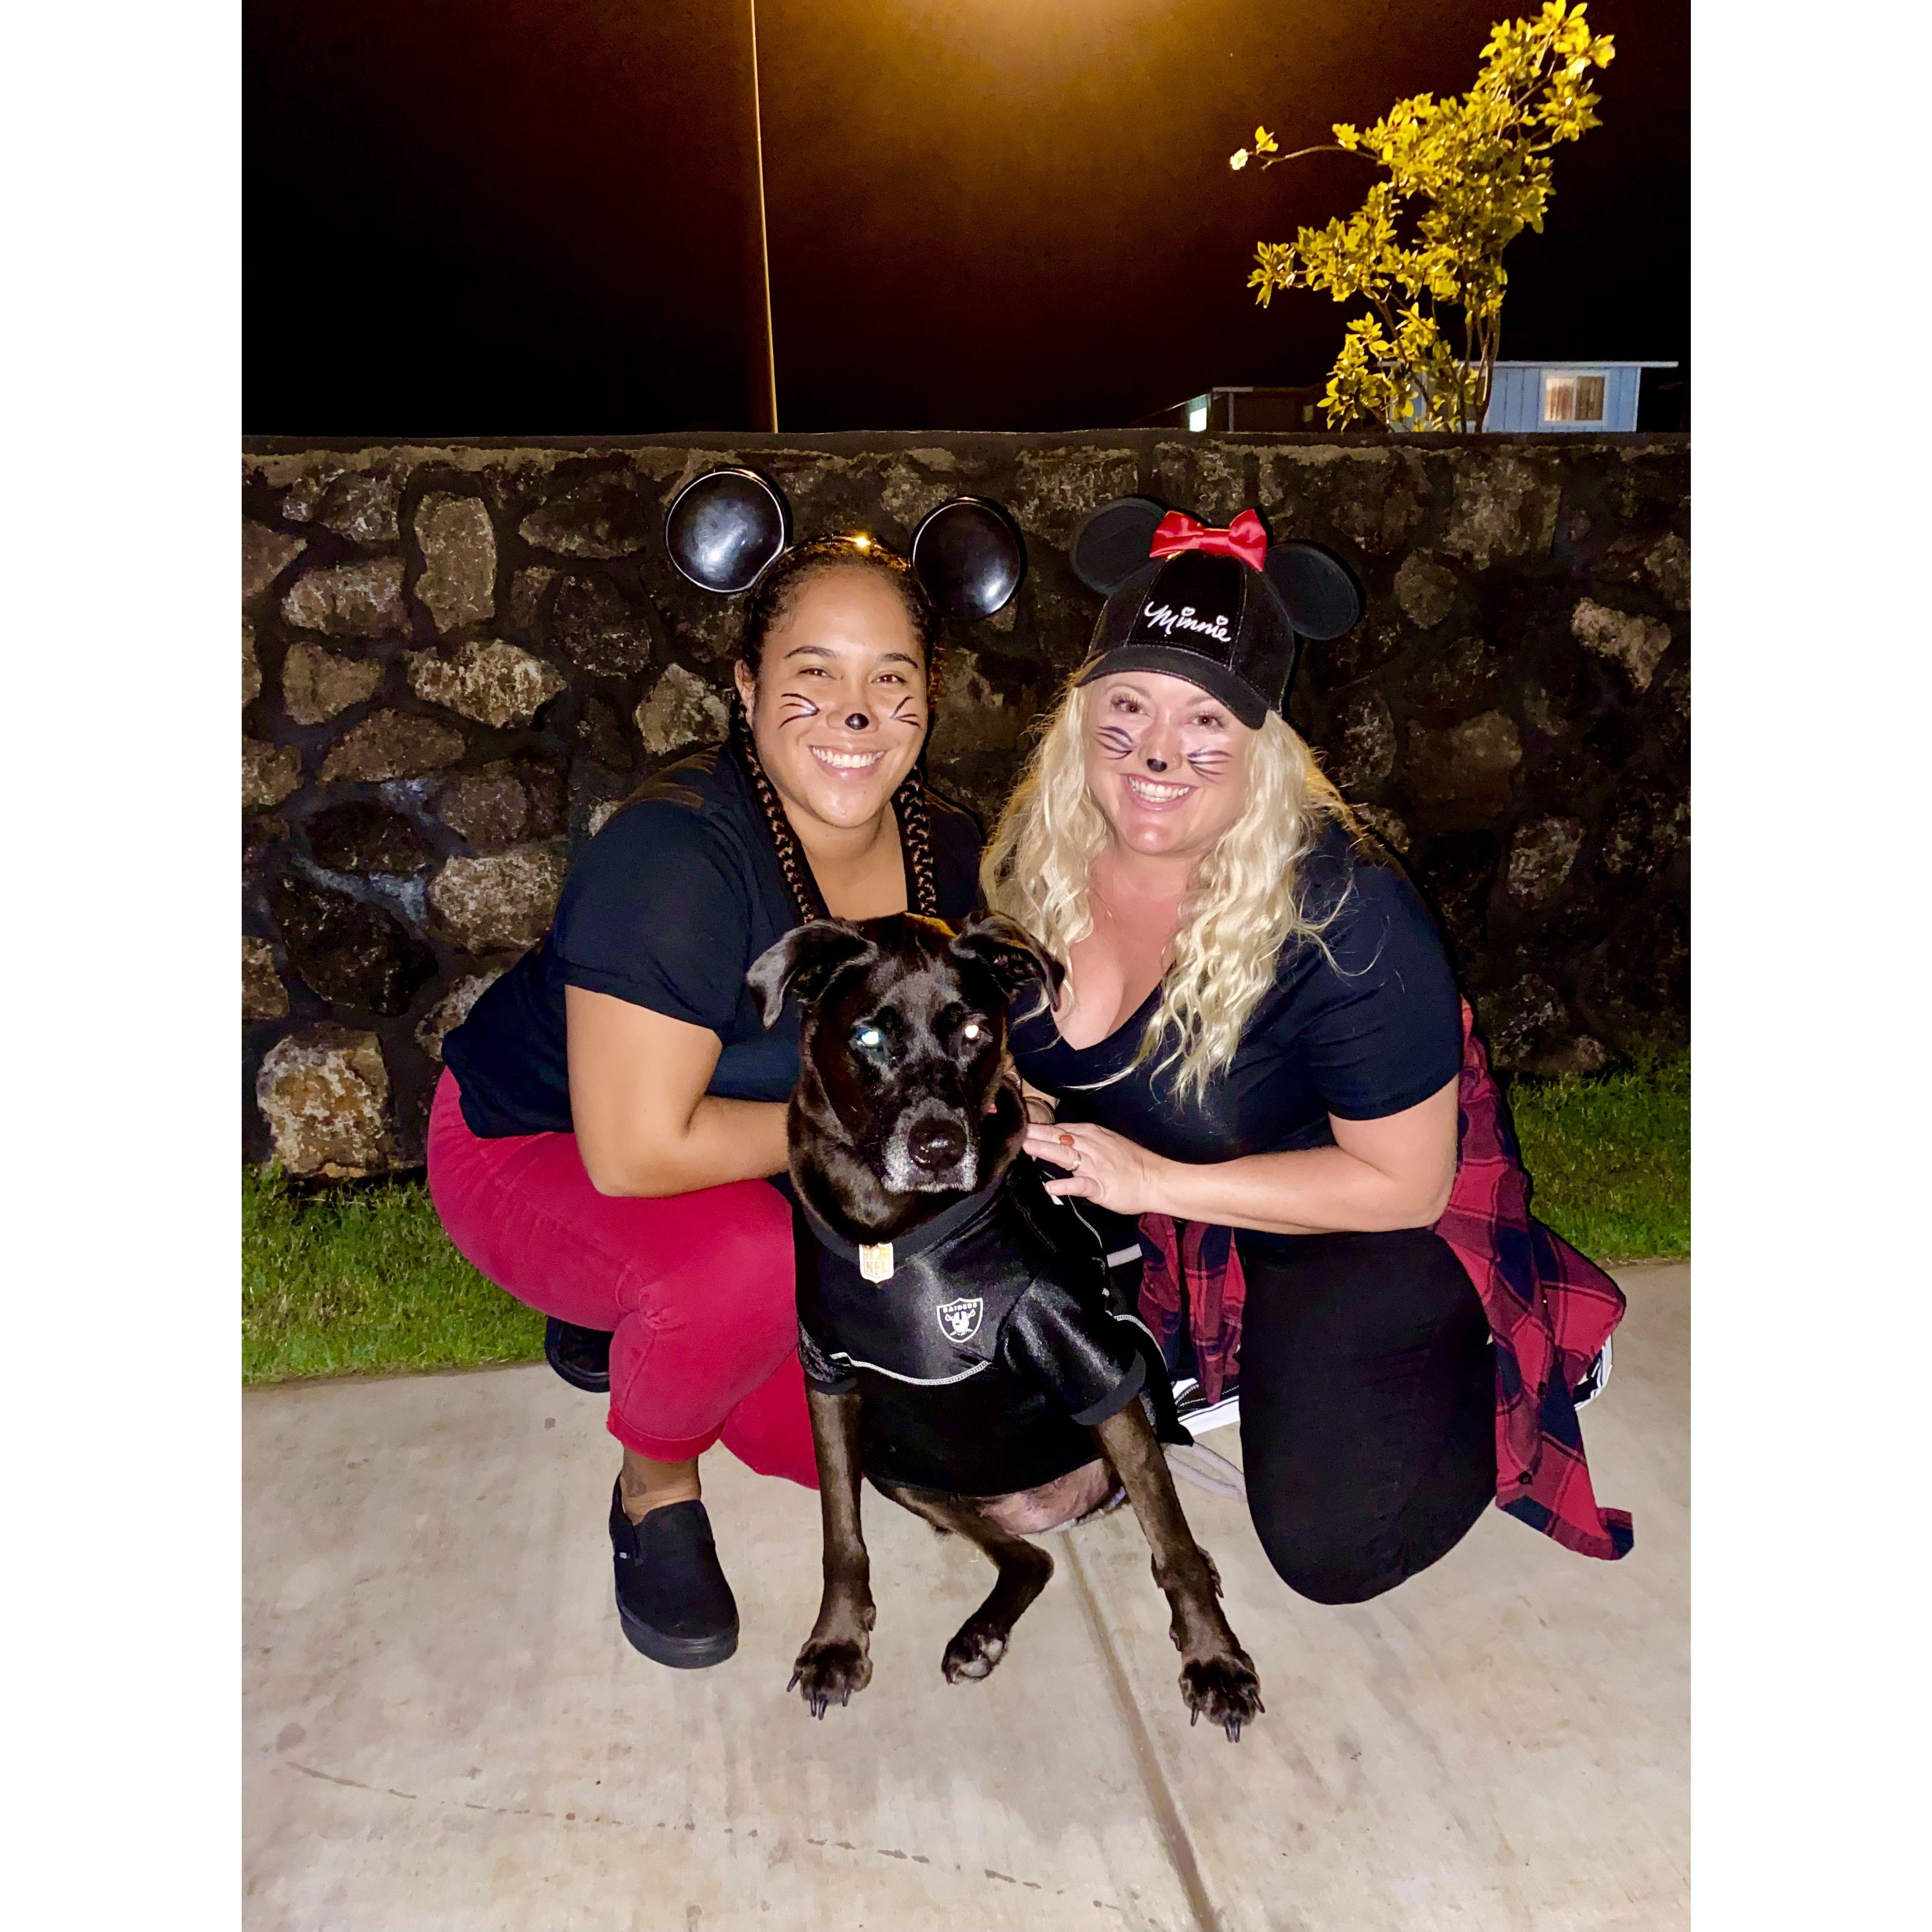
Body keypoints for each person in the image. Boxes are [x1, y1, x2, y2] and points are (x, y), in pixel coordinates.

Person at [985, 504, 1629, 1605]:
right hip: (1163, 1206)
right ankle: (1188, 1360)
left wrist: (1156, 1180)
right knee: (993, 1450)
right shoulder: (1031, 860)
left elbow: (1404, 1181)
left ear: (1263, 747)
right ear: (1082, 716)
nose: (1155, 750)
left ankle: (1513, 1346)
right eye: (1128, 705)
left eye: (1206, 724)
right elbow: (1011, 1049)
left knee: (1333, 1551)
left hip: (1355, 1221)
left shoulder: (1347, 910)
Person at [427, 537, 982, 1668]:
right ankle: (653, 1488)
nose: (855, 711)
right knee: (736, 1270)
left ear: (929, 693)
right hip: (535, 1145)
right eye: (813, 673)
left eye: (892, 676)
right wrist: (873, 1147)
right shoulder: (675, 854)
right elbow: (633, 1151)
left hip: (764, 1155)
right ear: (745, 683)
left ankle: (620, 1318)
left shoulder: (947, 850)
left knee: (840, 1434)